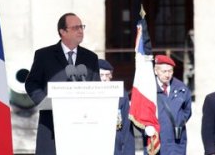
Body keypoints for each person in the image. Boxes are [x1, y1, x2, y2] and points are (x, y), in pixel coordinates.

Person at [25, 13, 100, 155]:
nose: (81, 31)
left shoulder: (91, 58)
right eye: (76, 27)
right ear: (62, 32)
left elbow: (96, 87)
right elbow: (31, 83)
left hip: (82, 125)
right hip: (52, 123)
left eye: (82, 27)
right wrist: (44, 101)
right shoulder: (44, 55)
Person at [144, 54, 192, 155]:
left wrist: (178, 121)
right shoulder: (148, 89)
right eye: (164, 71)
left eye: (170, 71)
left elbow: (187, 111)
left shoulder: (181, 88)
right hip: (155, 142)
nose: (167, 75)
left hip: (176, 142)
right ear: (155, 71)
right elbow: (140, 112)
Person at [98, 59, 135, 155]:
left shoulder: (121, 94)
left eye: (107, 75)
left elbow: (127, 127)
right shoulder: (87, 94)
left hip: (115, 145)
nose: (104, 79)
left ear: (111, 76)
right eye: (101, 75)